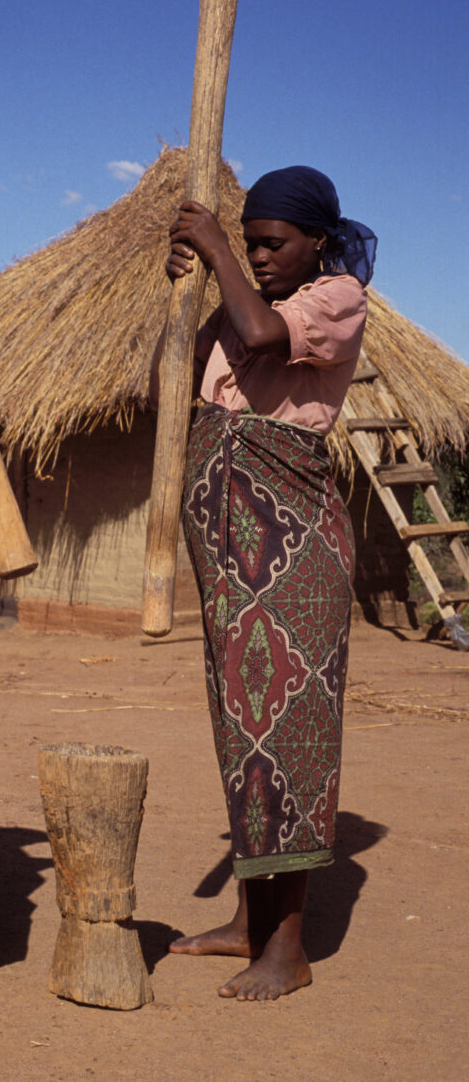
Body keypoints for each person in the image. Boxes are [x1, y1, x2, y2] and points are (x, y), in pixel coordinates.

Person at [152, 165, 376, 1001]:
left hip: (294, 551)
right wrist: (188, 299)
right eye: (249, 242)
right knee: (243, 731)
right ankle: (249, 924)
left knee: (291, 739)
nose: (260, 255)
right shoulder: (239, 303)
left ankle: (289, 946)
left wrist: (214, 249)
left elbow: (259, 336)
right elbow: (173, 386)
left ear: (317, 241)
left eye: (273, 243)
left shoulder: (336, 298)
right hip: (233, 562)